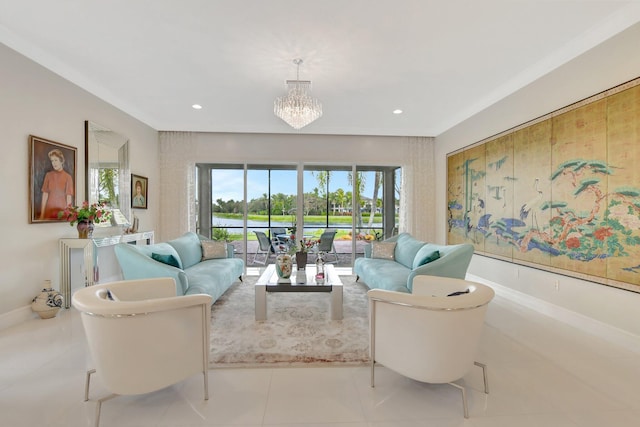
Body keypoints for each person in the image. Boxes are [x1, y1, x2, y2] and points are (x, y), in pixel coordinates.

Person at [40, 149, 74, 220]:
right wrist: (42, 214)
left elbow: (68, 198)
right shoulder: (48, 175)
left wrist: (69, 215)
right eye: (52, 161)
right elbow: (45, 195)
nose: (54, 163)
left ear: (61, 161)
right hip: (48, 212)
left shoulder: (68, 177)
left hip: (62, 213)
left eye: (56, 160)